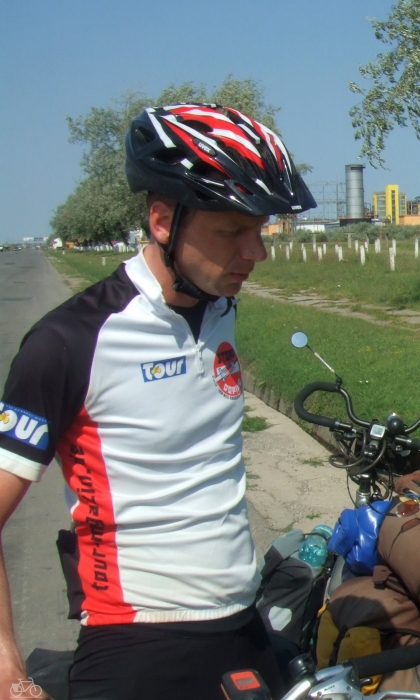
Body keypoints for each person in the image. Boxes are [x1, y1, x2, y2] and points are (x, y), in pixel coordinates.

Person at [0, 103, 315, 699]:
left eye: (261, 230)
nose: (256, 253)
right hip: (136, 644)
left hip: (241, 626)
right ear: (163, 219)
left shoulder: (220, 307)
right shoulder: (71, 340)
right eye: (231, 232)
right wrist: (7, 668)